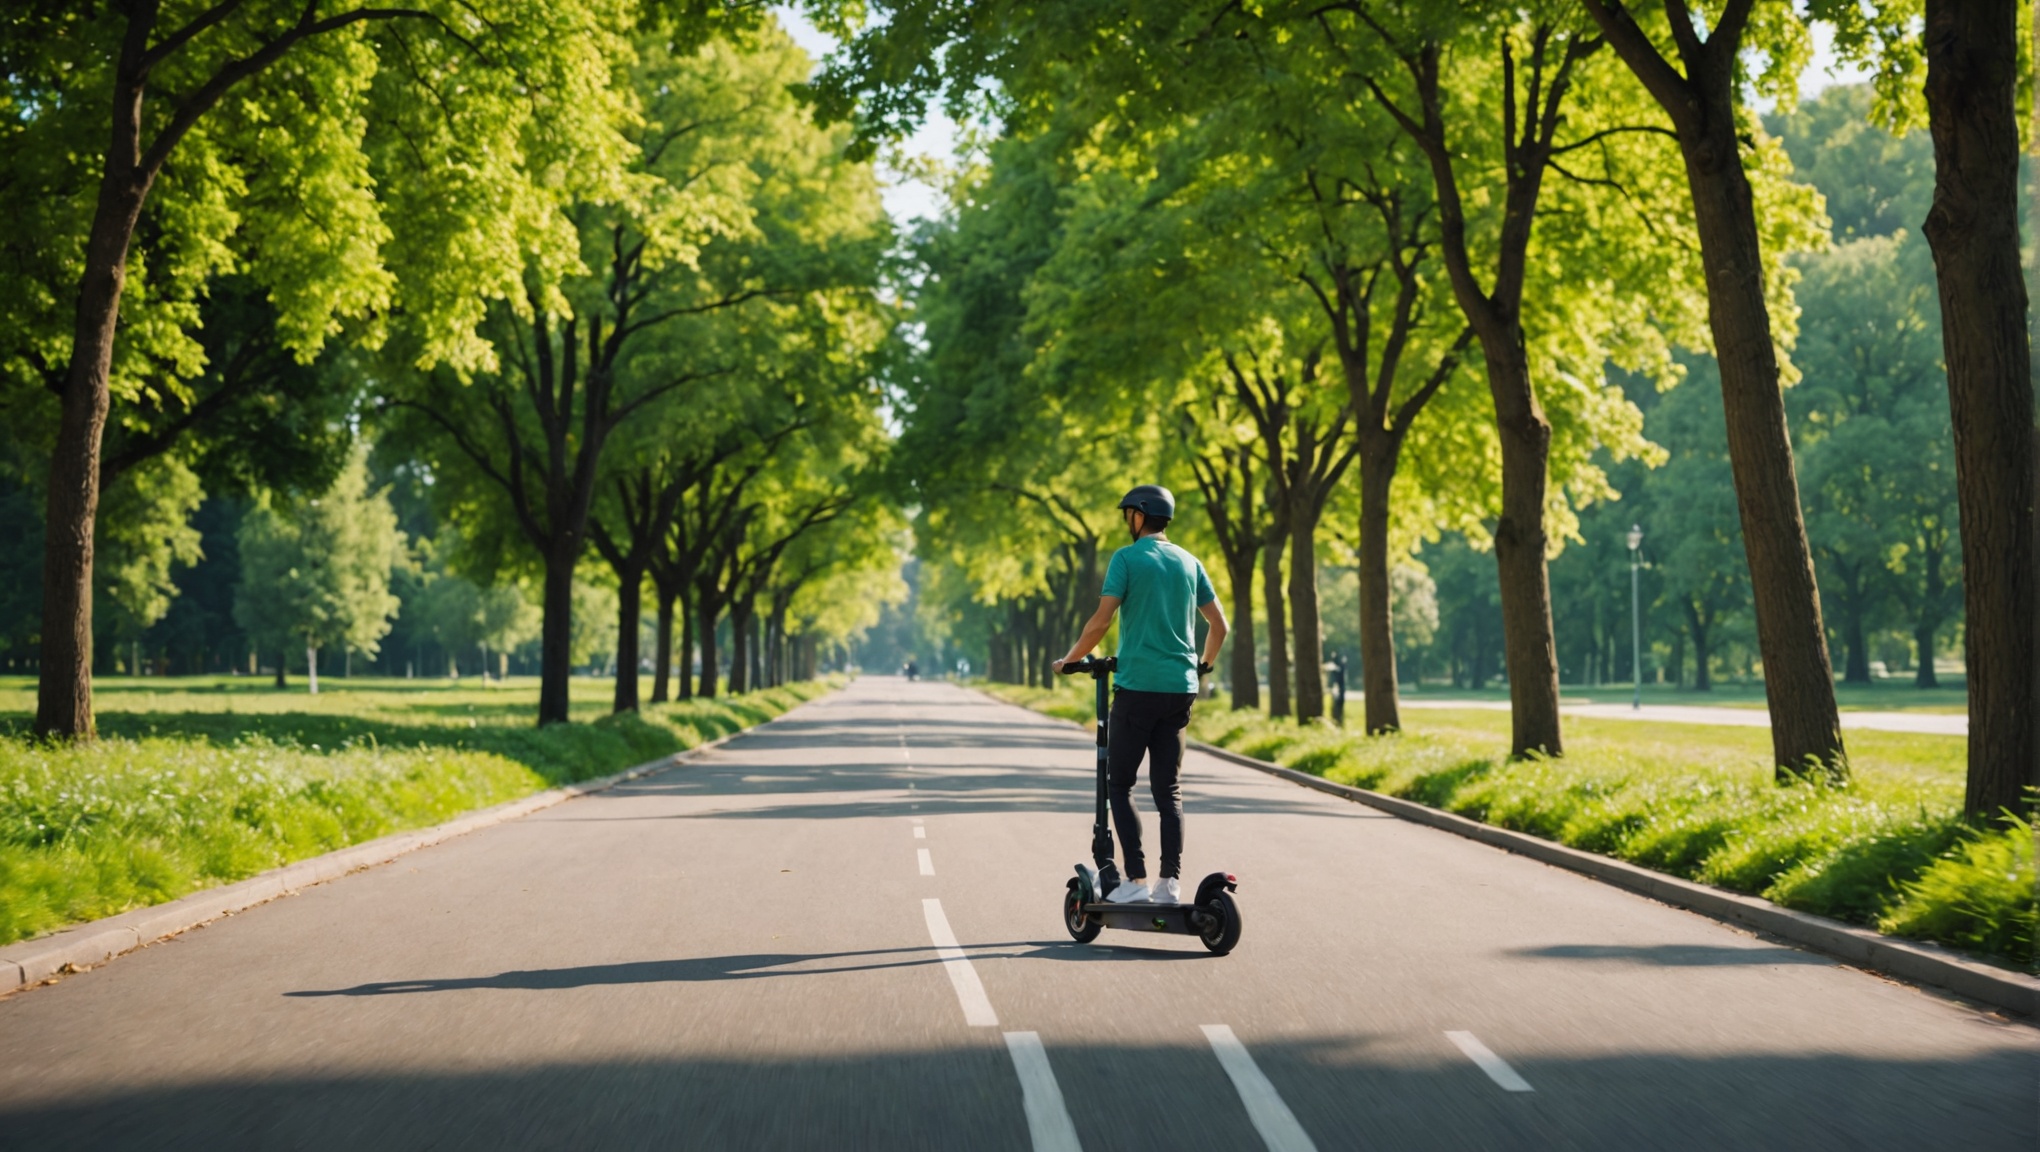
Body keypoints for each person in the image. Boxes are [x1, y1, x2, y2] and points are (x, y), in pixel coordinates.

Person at [1053, 485, 1227, 905]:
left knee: (1121, 784)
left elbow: (1100, 622)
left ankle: (1134, 880)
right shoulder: (1190, 561)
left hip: (1137, 688)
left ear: (1137, 516)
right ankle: (1170, 884)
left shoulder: (1127, 558)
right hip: (1180, 691)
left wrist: (1070, 659)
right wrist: (1203, 664)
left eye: (1126, 514)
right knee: (1168, 789)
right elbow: (1219, 626)